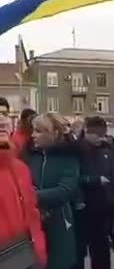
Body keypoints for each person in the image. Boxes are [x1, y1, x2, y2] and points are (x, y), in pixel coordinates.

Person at [23, 113, 80, 269]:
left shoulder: (69, 156)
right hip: (32, 225)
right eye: (33, 130)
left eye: (39, 131)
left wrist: (30, 195)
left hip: (59, 225)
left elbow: (64, 191)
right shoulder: (28, 156)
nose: (33, 135)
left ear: (54, 133)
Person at [0, 101, 46, 268]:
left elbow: (32, 216)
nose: (2, 121)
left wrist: (39, 252)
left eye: (4, 114)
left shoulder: (20, 169)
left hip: (23, 258)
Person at [82, 116, 114, 269]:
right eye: (95, 135)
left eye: (101, 134)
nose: (98, 138)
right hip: (93, 206)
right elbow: (79, 177)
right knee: (99, 248)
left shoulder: (110, 149)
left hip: (112, 203)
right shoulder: (81, 150)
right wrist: (95, 180)